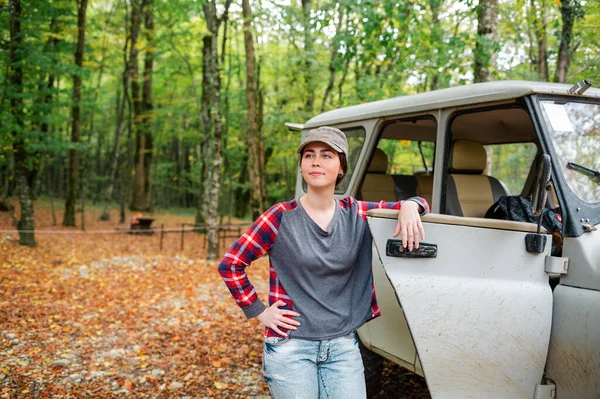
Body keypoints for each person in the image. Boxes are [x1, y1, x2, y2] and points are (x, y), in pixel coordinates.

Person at [218, 126, 429, 399]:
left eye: (326, 155)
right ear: (303, 165)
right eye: (309, 155)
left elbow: (421, 202)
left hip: (343, 345)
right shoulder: (280, 216)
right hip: (290, 347)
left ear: (341, 168)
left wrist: (411, 206)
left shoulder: (358, 213)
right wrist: (259, 311)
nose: (316, 161)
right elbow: (231, 264)